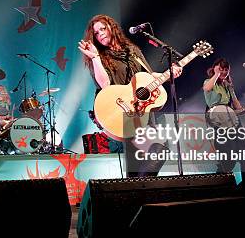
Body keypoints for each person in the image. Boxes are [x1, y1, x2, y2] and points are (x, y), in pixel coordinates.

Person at [78, 15, 182, 175]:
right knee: (153, 153)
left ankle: (138, 193)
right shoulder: (99, 57)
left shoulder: (132, 51)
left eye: (102, 29)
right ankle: (140, 191)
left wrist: (169, 73)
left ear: (111, 27)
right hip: (119, 111)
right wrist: (95, 58)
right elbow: (104, 84)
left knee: (145, 159)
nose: (100, 34)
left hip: (140, 111)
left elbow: (148, 75)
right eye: (96, 33)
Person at [203, 58, 245, 175]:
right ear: (215, 69)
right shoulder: (209, 82)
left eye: (226, 70)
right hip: (219, 124)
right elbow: (206, 88)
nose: (223, 72)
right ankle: (219, 184)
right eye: (220, 69)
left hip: (233, 122)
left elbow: (238, 109)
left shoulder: (228, 87)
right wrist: (217, 74)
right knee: (228, 161)